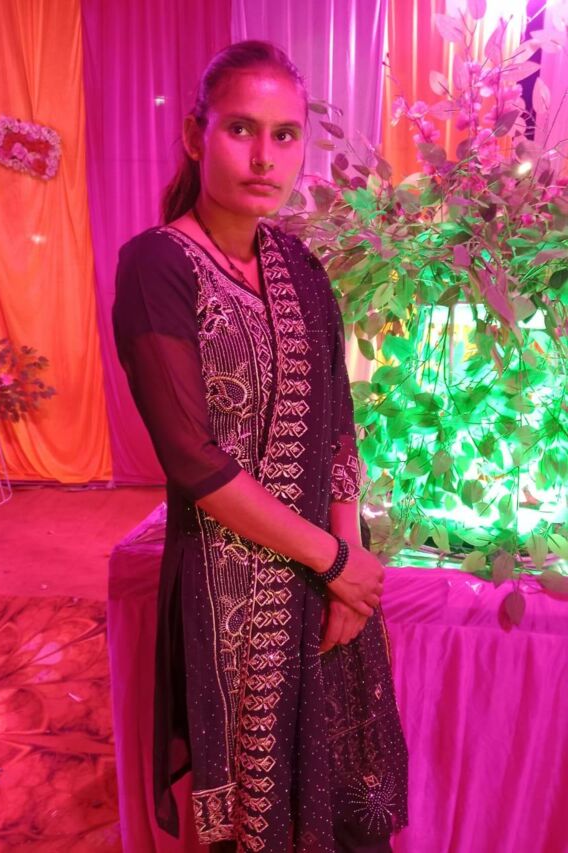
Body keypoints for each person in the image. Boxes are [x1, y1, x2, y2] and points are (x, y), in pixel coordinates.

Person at [112, 40, 408, 853]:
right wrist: (335, 560)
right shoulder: (158, 267)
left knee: (340, 803)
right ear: (196, 135)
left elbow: (338, 423)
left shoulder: (301, 268)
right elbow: (193, 459)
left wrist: (347, 568)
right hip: (231, 594)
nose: (263, 156)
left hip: (324, 578)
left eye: (284, 134)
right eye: (241, 128)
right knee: (256, 821)